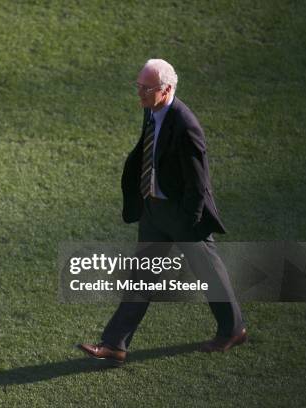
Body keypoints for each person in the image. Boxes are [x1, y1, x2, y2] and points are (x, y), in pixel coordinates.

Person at [77, 59, 247, 366]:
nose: (140, 94)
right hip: (154, 210)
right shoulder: (152, 108)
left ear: (166, 90)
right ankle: (114, 344)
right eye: (138, 86)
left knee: (209, 274)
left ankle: (233, 330)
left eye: (146, 88)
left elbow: (198, 183)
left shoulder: (186, 126)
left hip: (183, 215)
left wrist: (188, 222)